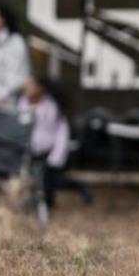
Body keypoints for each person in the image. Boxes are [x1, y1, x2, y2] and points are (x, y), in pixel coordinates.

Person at [24, 73, 92, 212]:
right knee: (38, 180)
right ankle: (40, 204)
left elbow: (62, 133)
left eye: (30, 84)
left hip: (49, 151)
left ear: (40, 88)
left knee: (51, 182)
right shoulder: (23, 104)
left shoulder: (52, 107)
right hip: (31, 150)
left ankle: (80, 186)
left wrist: (56, 156)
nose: (27, 88)